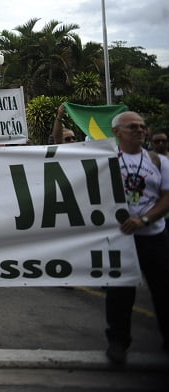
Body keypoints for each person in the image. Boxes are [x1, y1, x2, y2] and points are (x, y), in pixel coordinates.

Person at [104, 111, 169, 365]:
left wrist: (144, 220)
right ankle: (118, 343)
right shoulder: (105, 159)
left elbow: (166, 197)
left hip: (154, 235)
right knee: (119, 292)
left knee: (164, 291)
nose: (140, 130)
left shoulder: (159, 161)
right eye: (132, 127)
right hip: (120, 238)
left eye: (142, 126)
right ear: (117, 132)